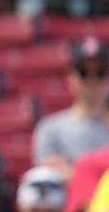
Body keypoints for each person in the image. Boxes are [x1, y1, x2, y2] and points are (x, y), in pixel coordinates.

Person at [33, 36, 109, 178]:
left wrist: (73, 172)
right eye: (84, 73)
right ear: (71, 78)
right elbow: (47, 180)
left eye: (100, 72)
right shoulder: (50, 128)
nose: (92, 80)